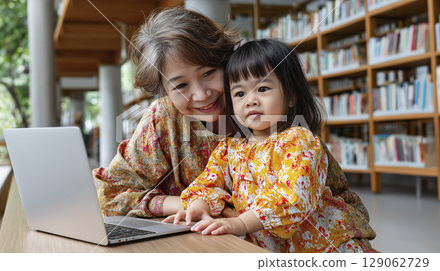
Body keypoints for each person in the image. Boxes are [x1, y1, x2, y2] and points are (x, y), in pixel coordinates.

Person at [164, 39, 377, 253]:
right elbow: (209, 182)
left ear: (291, 95)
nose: (250, 100)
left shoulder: (300, 141)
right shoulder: (229, 148)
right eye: (239, 93)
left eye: (263, 88)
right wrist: (199, 206)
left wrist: (241, 224)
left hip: (324, 247)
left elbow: (294, 196)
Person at [92, 7, 241, 218]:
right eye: (181, 86)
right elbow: (109, 196)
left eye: (208, 73)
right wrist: (188, 204)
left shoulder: (264, 104)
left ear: (225, 62)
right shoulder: (163, 117)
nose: (201, 94)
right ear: (165, 91)